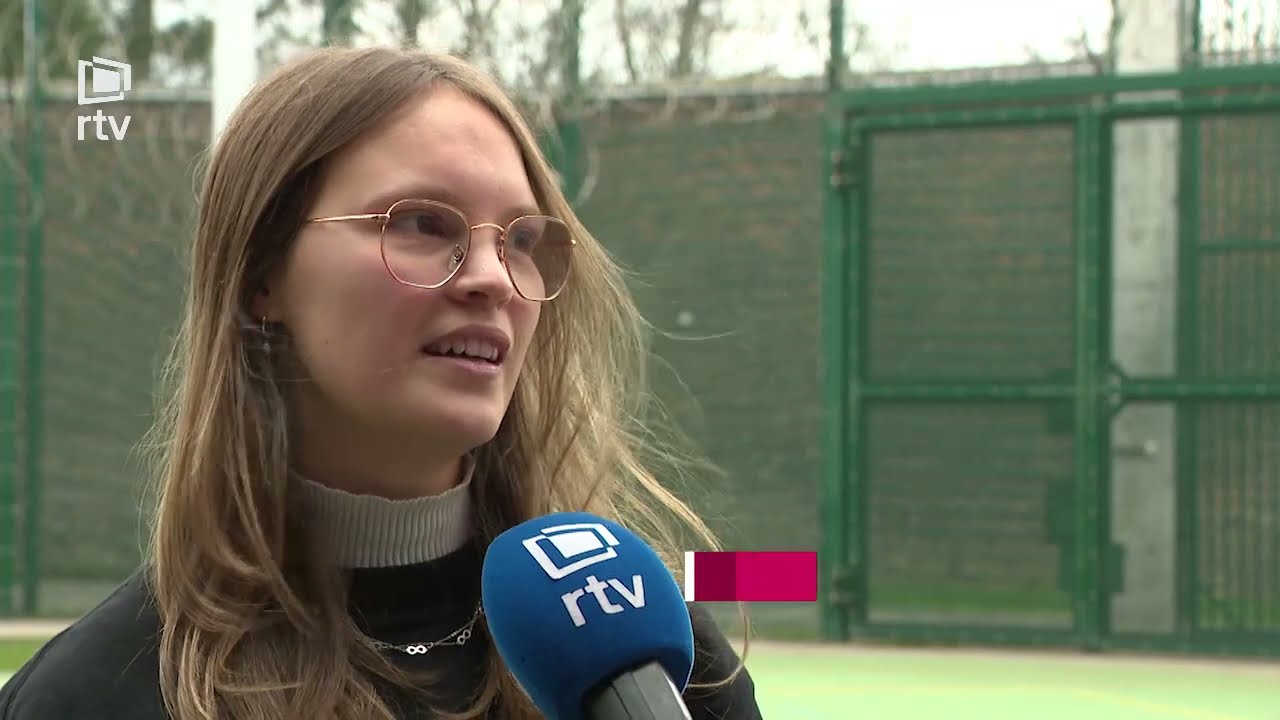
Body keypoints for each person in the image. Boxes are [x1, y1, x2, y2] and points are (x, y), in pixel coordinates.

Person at [0, 46, 760, 719]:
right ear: (261, 275)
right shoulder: (98, 692)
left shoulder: (648, 668)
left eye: (523, 240)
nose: (496, 279)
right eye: (424, 224)